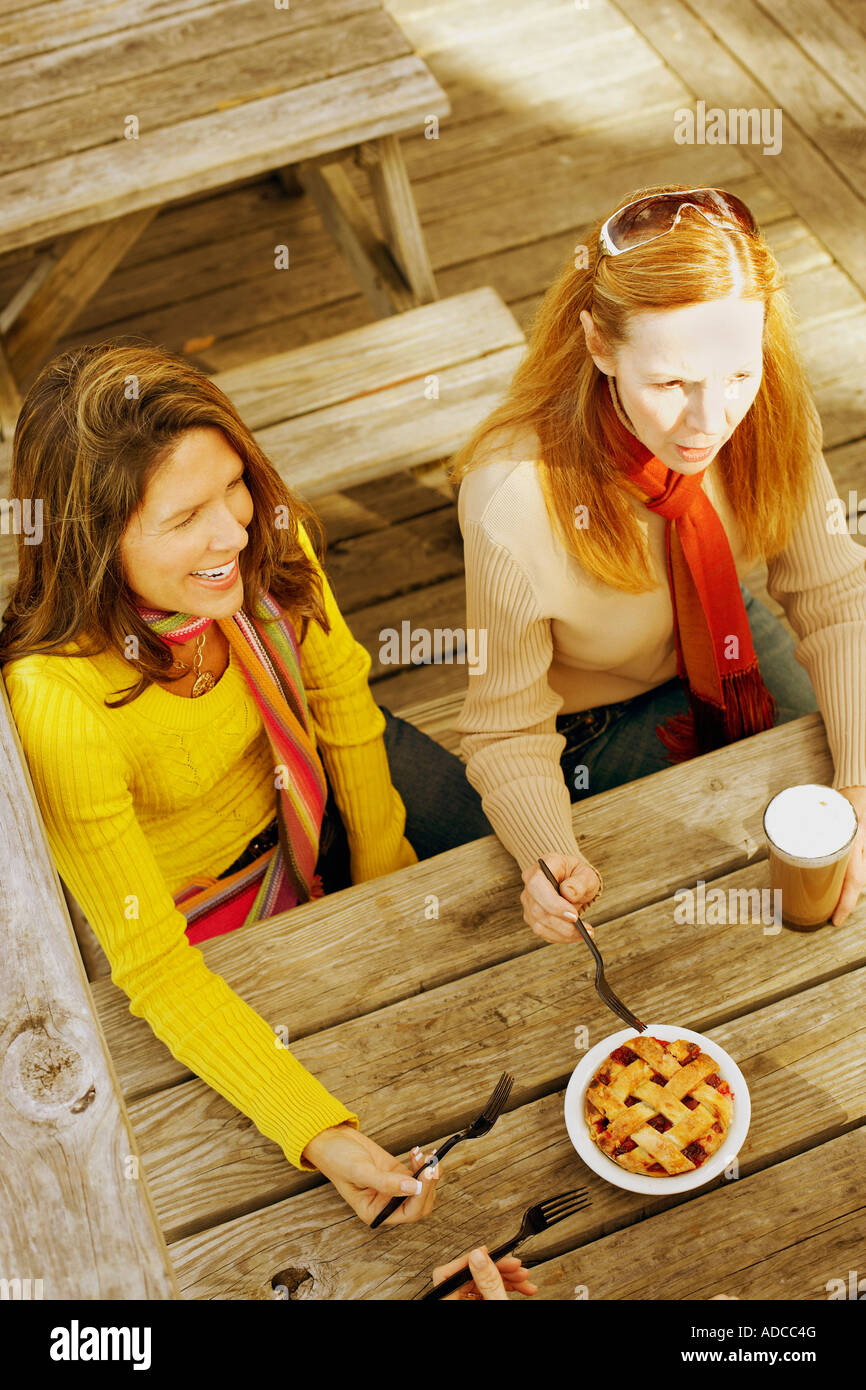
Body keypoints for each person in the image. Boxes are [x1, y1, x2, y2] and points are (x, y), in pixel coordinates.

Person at [0, 342, 492, 1228]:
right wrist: (318, 1135)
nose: (232, 531)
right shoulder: (58, 701)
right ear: (93, 542)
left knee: (514, 918)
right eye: (183, 517)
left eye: (233, 483)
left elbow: (340, 691)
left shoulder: (259, 535)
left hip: (320, 818)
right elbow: (153, 969)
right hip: (196, 916)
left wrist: (382, 879)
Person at [450, 184, 866, 940]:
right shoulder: (511, 501)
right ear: (599, 345)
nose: (711, 422)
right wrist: (547, 855)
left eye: (737, 374)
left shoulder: (769, 407)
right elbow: (505, 726)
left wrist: (862, 782)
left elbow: (836, 598)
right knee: (684, 924)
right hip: (591, 722)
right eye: (671, 383)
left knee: (839, 859)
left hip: (730, 638)